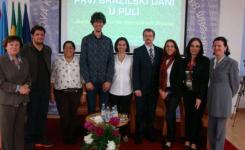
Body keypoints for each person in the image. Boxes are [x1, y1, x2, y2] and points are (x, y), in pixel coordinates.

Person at [21, 25, 53, 149]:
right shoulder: (25, 49)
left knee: (42, 114)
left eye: (42, 35)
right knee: (31, 114)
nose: (40, 36)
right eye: (37, 34)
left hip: (44, 88)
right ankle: (29, 140)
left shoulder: (48, 49)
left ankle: (40, 137)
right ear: (32, 36)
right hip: (31, 88)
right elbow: (23, 69)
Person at [50, 41, 87, 144]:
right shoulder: (57, 61)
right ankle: (65, 136)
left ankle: (71, 136)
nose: (69, 49)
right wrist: (52, 93)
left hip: (76, 92)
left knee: (72, 115)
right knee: (64, 116)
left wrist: (84, 93)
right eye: (66, 47)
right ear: (63, 49)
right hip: (60, 93)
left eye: (71, 47)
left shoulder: (79, 61)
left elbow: (83, 78)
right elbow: (52, 78)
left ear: (74, 49)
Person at [207, 36, 239, 150]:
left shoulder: (232, 63)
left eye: (219, 46)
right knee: (211, 131)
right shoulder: (211, 61)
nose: (216, 48)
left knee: (219, 133)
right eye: (215, 45)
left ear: (225, 47)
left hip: (222, 101)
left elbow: (235, 85)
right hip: (211, 99)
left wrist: (226, 96)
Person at [0, 36, 31, 150]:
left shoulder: (25, 61)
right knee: (7, 133)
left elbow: (29, 78)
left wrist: (27, 85)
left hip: (22, 101)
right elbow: (1, 83)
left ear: (20, 47)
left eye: (17, 45)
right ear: (6, 47)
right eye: (11, 44)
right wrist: (18, 88)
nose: (14, 47)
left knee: (19, 132)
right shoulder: (1, 61)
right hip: (7, 102)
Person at [80, 12, 114, 113]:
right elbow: (83, 61)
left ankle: (104, 129)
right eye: (96, 22)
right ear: (92, 23)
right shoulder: (86, 40)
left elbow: (111, 62)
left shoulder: (108, 41)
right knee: (91, 110)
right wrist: (87, 81)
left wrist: (108, 80)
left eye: (100, 22)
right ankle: (92, 130)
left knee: (105, 111)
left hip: (104, 83)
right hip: (91, 83)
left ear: (103, 23)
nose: (98, 24)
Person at [133, 28, 163, 144]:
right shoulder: (138, 51)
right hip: (141, 89)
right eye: (146, 36)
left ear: (154, 37)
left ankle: (149, 133)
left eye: (150, 36)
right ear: (143, 37)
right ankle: (139, 134)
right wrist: (136, 88)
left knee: (151, 113)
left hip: (154, 89)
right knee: (140, 113)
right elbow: (135, 71)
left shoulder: (160, 51)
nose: (148, 38)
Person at [182, 38, 210, 150]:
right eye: (192, 45)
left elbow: (204, 81)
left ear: (200, 48)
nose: (194, 48)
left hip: (199, 95)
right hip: (188, 93)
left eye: (197, 46)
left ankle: (194, 141)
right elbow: (184, 78)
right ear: (189, 47)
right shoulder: (185, 60)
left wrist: (199, 97)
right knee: (188, 117)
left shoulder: (205, 61)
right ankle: (188, 139)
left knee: (196, 118)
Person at [159, 39, 183, 150]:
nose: (169, 48)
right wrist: (160, 90)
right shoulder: (162, 60)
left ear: (175, 48)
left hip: (175, 92)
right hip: (163, 90)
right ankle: (172, 136)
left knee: (169, 114)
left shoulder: (179, 61)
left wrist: (167, 93)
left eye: (172, 46)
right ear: (165, 47)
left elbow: (179, 81)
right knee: (171, 115)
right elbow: (157, 77)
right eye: (167, 46)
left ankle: (169, 139)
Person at [109, 37, 133, 142]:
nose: (121, 46)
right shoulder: (112, 58)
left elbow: (132, 75)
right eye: (119, 44)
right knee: (114, 114)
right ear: (116, 46)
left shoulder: (131, 59)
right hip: (114, 90)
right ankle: (115, 133)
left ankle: (124, 134)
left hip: (127, 90)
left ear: (127, 46)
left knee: (125, 114)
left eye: (123, 44)